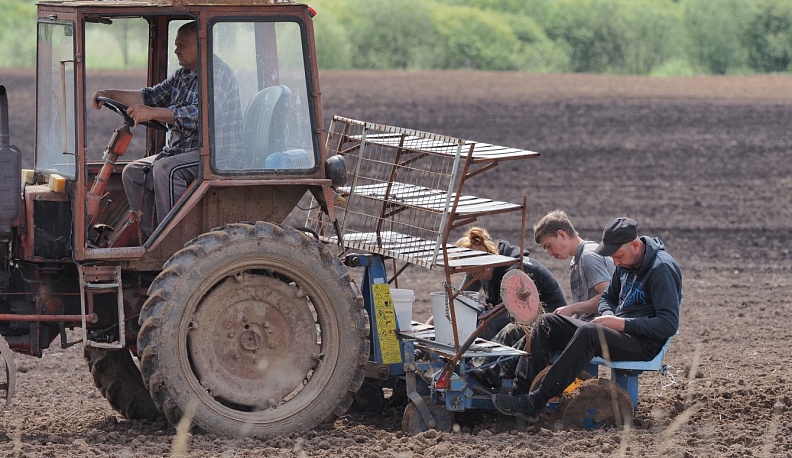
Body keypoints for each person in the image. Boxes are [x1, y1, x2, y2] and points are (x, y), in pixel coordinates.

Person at [492, 217, 681, 420]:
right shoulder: (626, 263)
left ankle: (537, 400)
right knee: (548, 323)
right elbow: (608, 297)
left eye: (618, 256)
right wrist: (608, 315)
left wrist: (620, 323)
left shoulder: (661, 269)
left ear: (635, 245)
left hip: (643, 342)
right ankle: (519, 395)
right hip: (620, 331)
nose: (615, 263)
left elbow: (668, 324)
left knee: (590, 332)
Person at [92, 21, 242, 239]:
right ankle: (149, 239)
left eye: (182, 45)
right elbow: (150, 96)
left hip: (217, 155)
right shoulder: (183, 75)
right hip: (186, 150)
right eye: (175, 44)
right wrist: (110, 94)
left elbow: (200, 117)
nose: (176, 50)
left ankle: (172, 242)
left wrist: (152, 113)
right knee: (133, 173)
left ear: (202, 45)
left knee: (165, 169)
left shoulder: (217, 74)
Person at [533, 210, 615, 321]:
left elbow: (609, 297)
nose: (550, 253)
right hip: (588, 325)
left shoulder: (588, 256)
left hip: (600, 327)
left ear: (562, 234)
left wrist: (572, 309)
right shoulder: (577, 259)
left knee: (548, 322)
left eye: (549, 246)